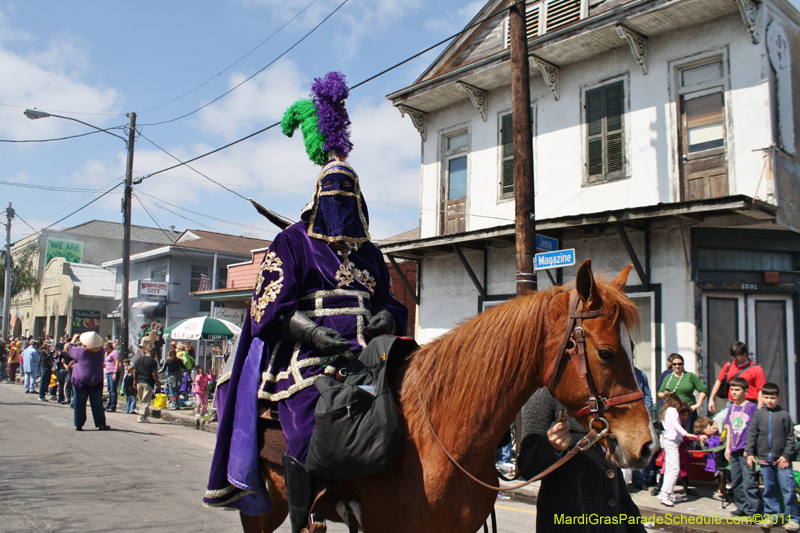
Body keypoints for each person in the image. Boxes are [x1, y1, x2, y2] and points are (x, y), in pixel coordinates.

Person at [204, 72, 408, 524]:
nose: (340, 199)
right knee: (307, 420)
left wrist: (387, 320)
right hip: (307, 354)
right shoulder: (293, 242)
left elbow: (391, 303)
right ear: (318, 195)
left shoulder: (371, 252)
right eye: (333, 192)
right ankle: (303, 517)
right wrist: (313, 334)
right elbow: (267, 308)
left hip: (370, 354)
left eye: (348, 193)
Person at [518, 387, 646, 531]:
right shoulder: (546, 392)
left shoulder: (601, 394)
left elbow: (615, 481)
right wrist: (551, 447)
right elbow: (527, 469)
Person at [745, 383, 800, 530]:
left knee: (788, 490)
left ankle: (793, 519)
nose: (769, 401)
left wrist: (786, 456)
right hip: (764, 461)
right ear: (762, 398)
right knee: (769, 490)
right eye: (766, 397)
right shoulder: (758, 414)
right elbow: (752, 434)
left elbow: (790, 438)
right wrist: (750, 453)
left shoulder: (784, 415)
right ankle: (771, 516)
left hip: (782, 462)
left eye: (772, 398)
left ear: (778, 398)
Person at [657, 394, 705, 506]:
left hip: (669, 441)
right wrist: (686, 433)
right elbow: (675, 424)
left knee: (669, 468)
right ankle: (666, 493)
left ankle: (666, 491)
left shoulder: (665, 412)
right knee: (674, 469)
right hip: (672, 441)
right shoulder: (673, 410)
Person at [724, 377, 760, 517]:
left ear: (745, 391)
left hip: (745, 449)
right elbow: (729, 428)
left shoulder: (751, 407)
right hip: (734, 448)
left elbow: (755, 429)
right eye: (732, 389)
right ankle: (742, 506)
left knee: (749, 480)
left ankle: (753, 509)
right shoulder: (731, 408)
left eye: (737, 390)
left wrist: (750, 449)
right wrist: (727, 448)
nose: (734, 392)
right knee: (736, 479)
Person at [708, 341, 766, 413]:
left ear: (745, 354)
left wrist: (759, 410)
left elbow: (761, 390)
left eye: (737, 355)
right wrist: (711, 399)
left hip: (749, 404)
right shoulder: (729, 365)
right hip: (731, 404)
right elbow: (719, 381)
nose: (735, 358)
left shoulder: (756, 369)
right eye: (733, 356)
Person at [70, 332, 111, 431]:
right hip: (96, 379)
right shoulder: (101, 352)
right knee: (97, 403)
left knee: (79, 403)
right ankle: (101, 424)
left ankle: (78, 424)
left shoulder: (80, 350)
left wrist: (73, 340)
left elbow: (69, 349)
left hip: (81, 380)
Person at [657, 353, 708, 434]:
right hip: (673, 412)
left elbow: (703, 390)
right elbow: (660, 393)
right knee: (673, 434)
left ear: (683, 364)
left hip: (687, 411)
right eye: (675, 364)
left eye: (679, 364)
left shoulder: (690, 376)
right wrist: (664, 395)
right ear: (671, 365)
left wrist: (697, 404)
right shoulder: (668, 377)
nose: (677, 366)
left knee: (687, 434)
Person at [631, 366, 654, 489]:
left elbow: (647, 394)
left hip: (639, 417)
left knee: (639, 447)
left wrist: (648, 412)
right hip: (622, 417)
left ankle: (639, 480)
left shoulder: (641, 375)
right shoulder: (617, 372)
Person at [694, 416, 725, 499]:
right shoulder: (715, 432)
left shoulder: (721, 425)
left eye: (704, 432)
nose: (705, 435)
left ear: (708, 425)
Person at [134, 346, 160, 423]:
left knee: (141, 400)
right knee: (145, 400)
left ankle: (144, 415)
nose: (155, 355)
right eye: (155, 353)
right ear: (152, 352)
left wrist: (135, 381)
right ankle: (141, 416)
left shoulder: (140, 359)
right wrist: (158, 383)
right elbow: (154, 374)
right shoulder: (153, 361)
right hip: (148, 382)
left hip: (139, 381)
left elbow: (135, 371)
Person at [103, 341, 120, 412]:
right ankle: (109, 404)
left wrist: (115, 373)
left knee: (113, 389)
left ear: (109, 347)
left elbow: (117, 363)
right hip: (108, 372)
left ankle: (113, 405)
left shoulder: (115, 352)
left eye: (105, 349)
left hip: (113, 372)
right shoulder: (108, 353)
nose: (105, 350)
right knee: (109, 389)